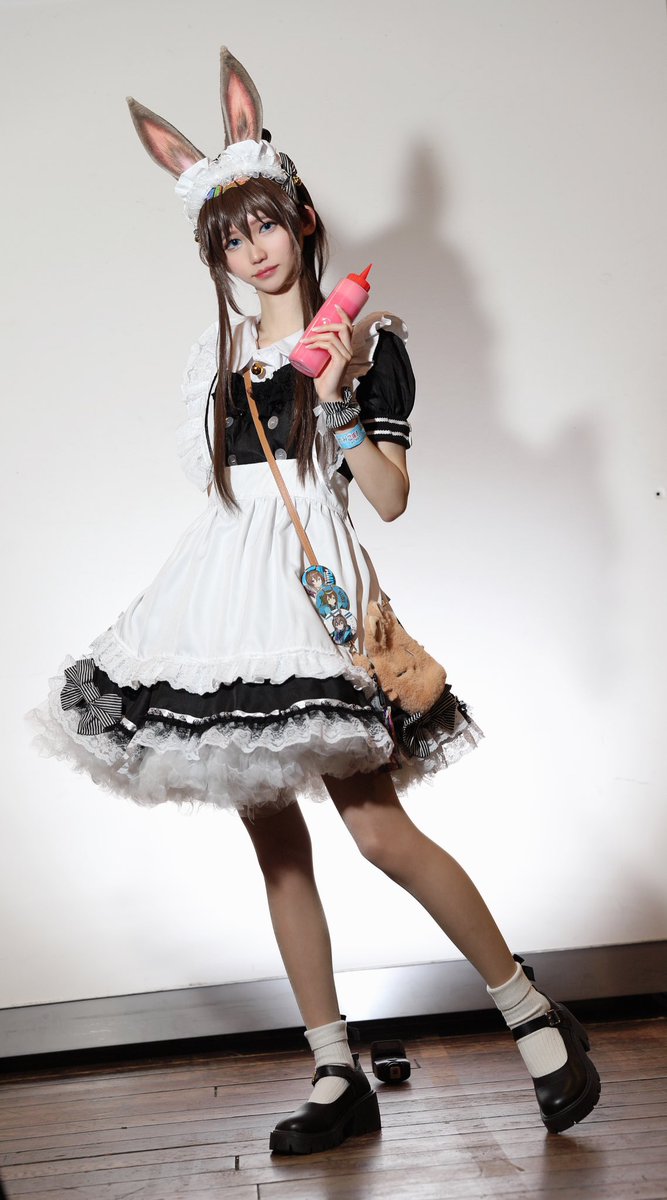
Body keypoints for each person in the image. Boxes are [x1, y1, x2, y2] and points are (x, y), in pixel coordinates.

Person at [27, 47, 600, 1155]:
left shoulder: (368, 346)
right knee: (276, 848)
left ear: (300, 218)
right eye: (229, 239)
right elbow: (229, 499)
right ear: (217, 257)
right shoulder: (217, 365)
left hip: (312, 602)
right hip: (219, 611)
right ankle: (336, 1072)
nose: (251, 249)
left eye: (263, 225)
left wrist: (334, 399)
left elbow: (385, 499)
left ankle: (532, 1014)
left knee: (380, 833)